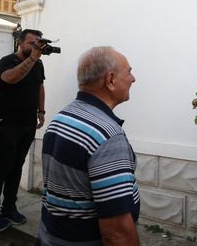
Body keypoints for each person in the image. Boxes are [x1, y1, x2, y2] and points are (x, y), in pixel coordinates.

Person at [39, 46, 139, 246]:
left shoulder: (61, 117)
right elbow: (116, 232)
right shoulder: (107, 136)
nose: (133, 78)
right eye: (128, 71)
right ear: (110, 80)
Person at [0, 29, 48, 232]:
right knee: (2, 168)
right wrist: (34, 57)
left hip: (26, 123)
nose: (35, 47)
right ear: (20, 43)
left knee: (17, 166)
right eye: (31, 43)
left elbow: (40, 86)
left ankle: (9, 207)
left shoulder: (38, 64)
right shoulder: (7, 61)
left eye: (38, 43)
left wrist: (41, 111)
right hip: (4, 124)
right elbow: (10, 78)